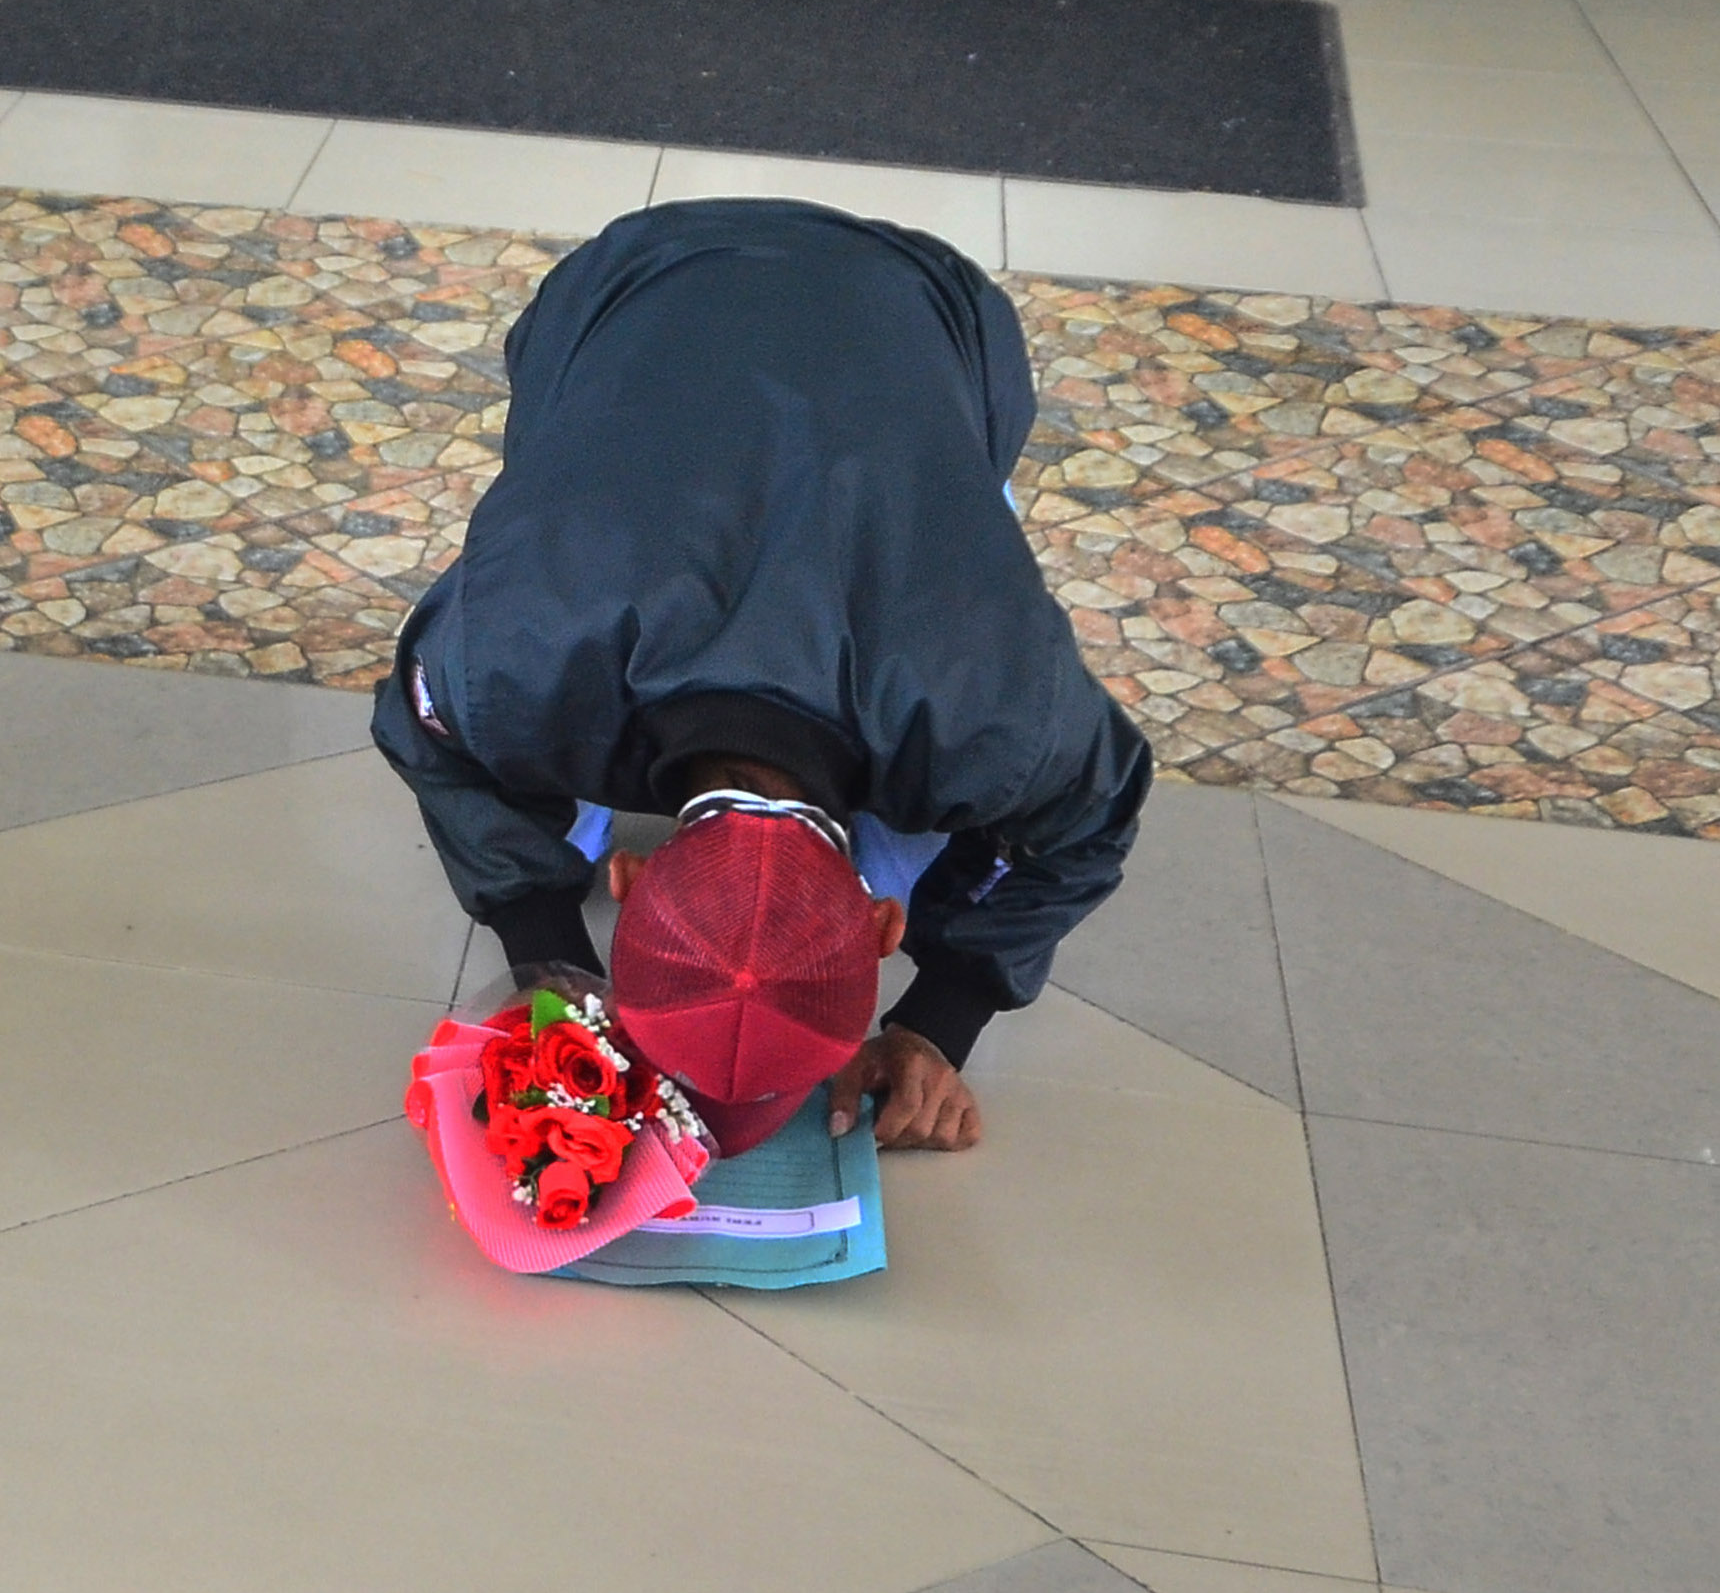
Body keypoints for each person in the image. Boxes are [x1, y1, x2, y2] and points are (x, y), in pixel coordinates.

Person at [374, 198, 1154, 1156]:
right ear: (879, 925)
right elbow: (425, 724)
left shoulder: (990, 710)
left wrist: (941, 1018)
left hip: (922, 306)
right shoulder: (510, 655)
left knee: (953, 585)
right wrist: (544, 948)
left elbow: (1093, 815)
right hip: (629, 289)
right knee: (541, 573)